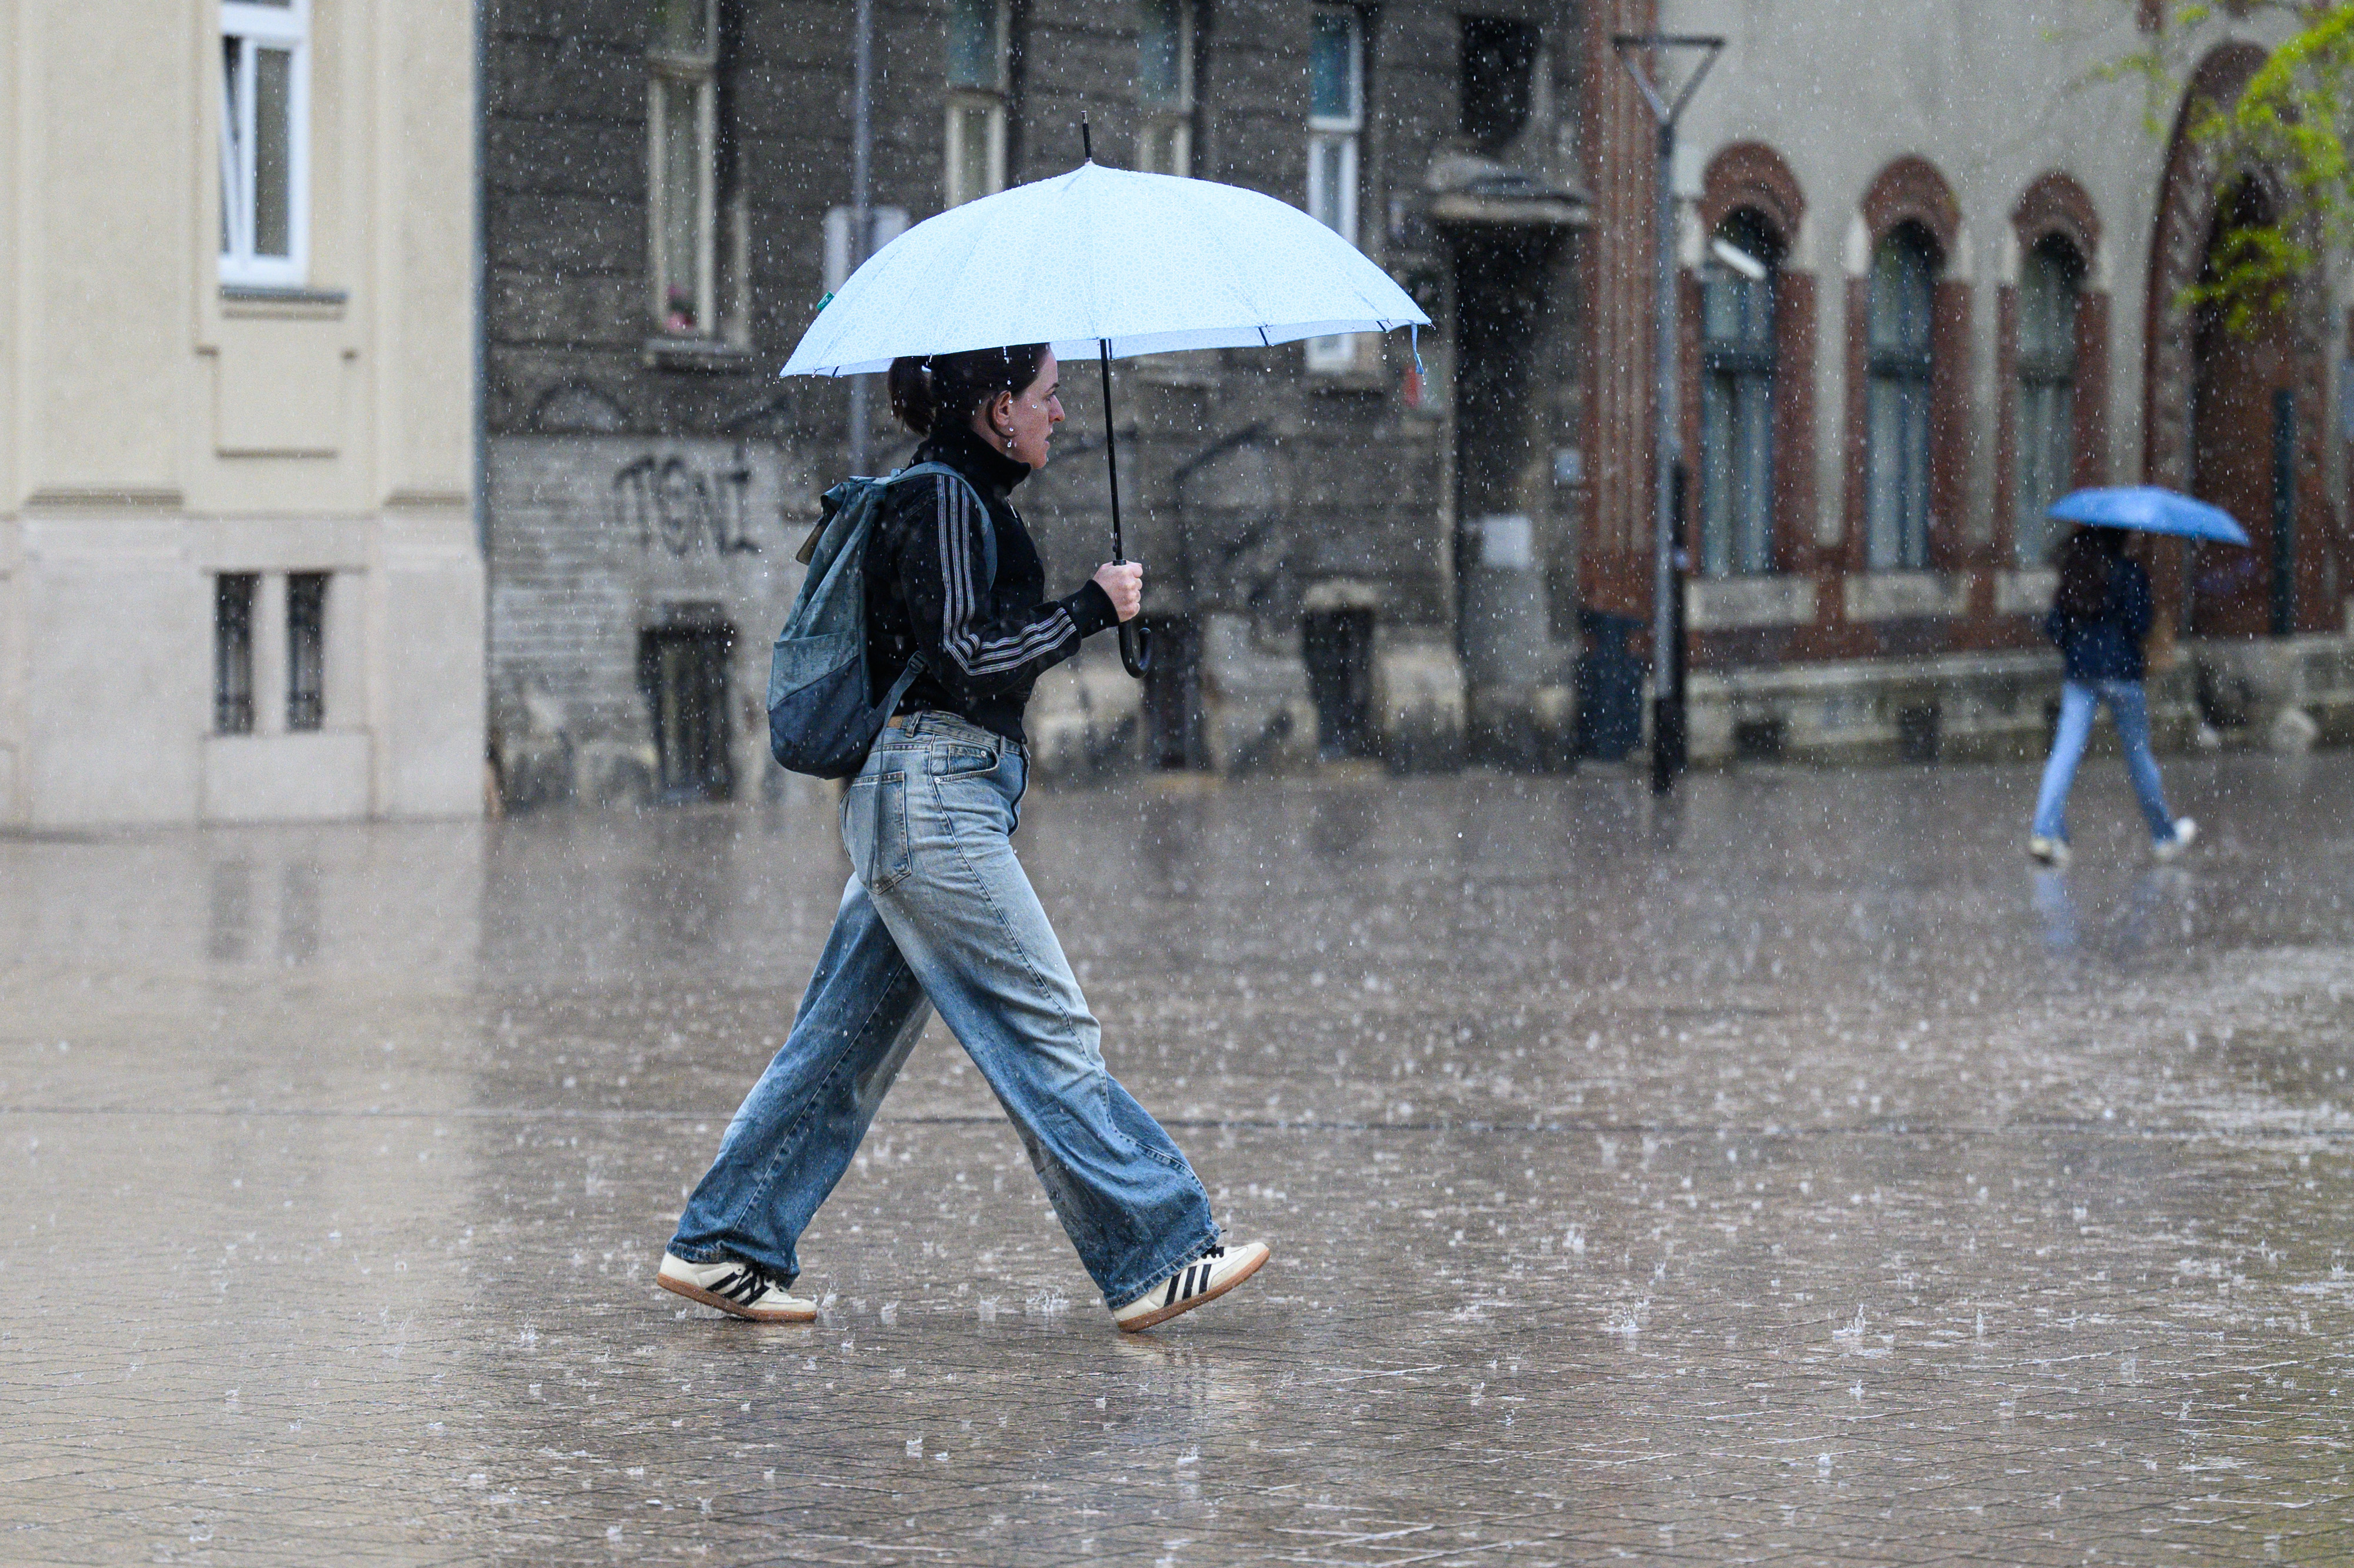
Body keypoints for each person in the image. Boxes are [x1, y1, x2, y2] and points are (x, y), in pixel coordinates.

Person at [657, 343, 1268, 1331]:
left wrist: (1083, 613)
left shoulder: (961, 499)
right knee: (1045, 1025)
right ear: (996, 412)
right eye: (1047, 397)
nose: (1060, 415)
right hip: (930, 796)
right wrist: (1090, 610)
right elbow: (968, 659)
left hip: (926, 798)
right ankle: (1160, 1252)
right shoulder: (941, 500)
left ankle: (724, 1241)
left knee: (841, 1042)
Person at [2027, 524, 2196, 868]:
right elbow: (2140, 623)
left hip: (2082, 675)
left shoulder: (2076, 573)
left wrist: (2080, 647)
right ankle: (2164, 835)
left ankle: (2045, 833)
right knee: (2139, 758)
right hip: (2122, 675)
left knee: (2065, 753)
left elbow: (2055, 627)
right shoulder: (2130, 573)